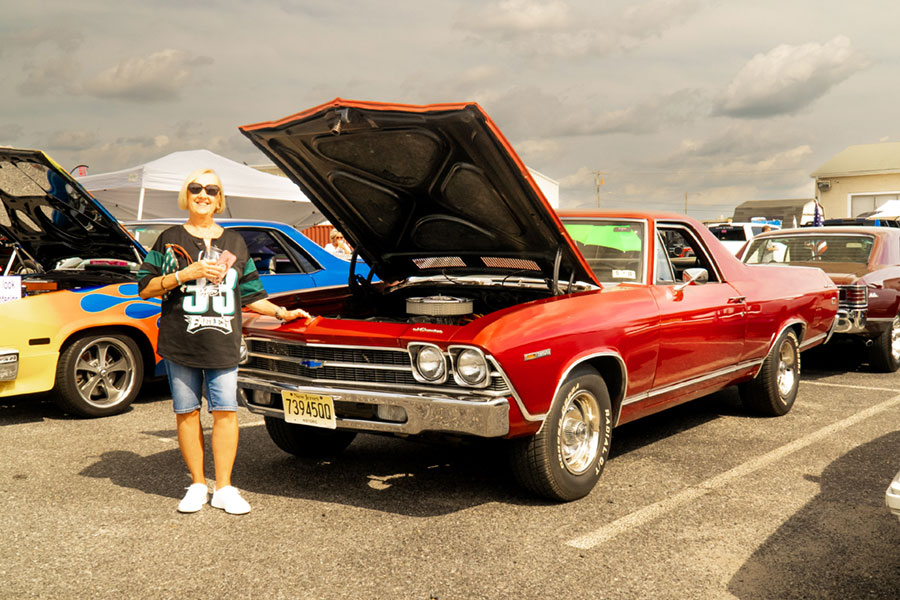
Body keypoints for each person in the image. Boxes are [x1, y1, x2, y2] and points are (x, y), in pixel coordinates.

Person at [137, 168, 311, 515]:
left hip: (223, 343)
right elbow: (145, 286)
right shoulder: (169, 238)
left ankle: (226, 488)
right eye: (196, 188)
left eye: (211, 190)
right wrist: (184, 274)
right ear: (187, 195)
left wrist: (281, 313)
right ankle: (198, 484)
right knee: (186, 413)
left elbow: (250, 293)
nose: (203, 194)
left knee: (226, 412)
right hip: (181, 341)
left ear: (219, 199)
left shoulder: (234, 242)